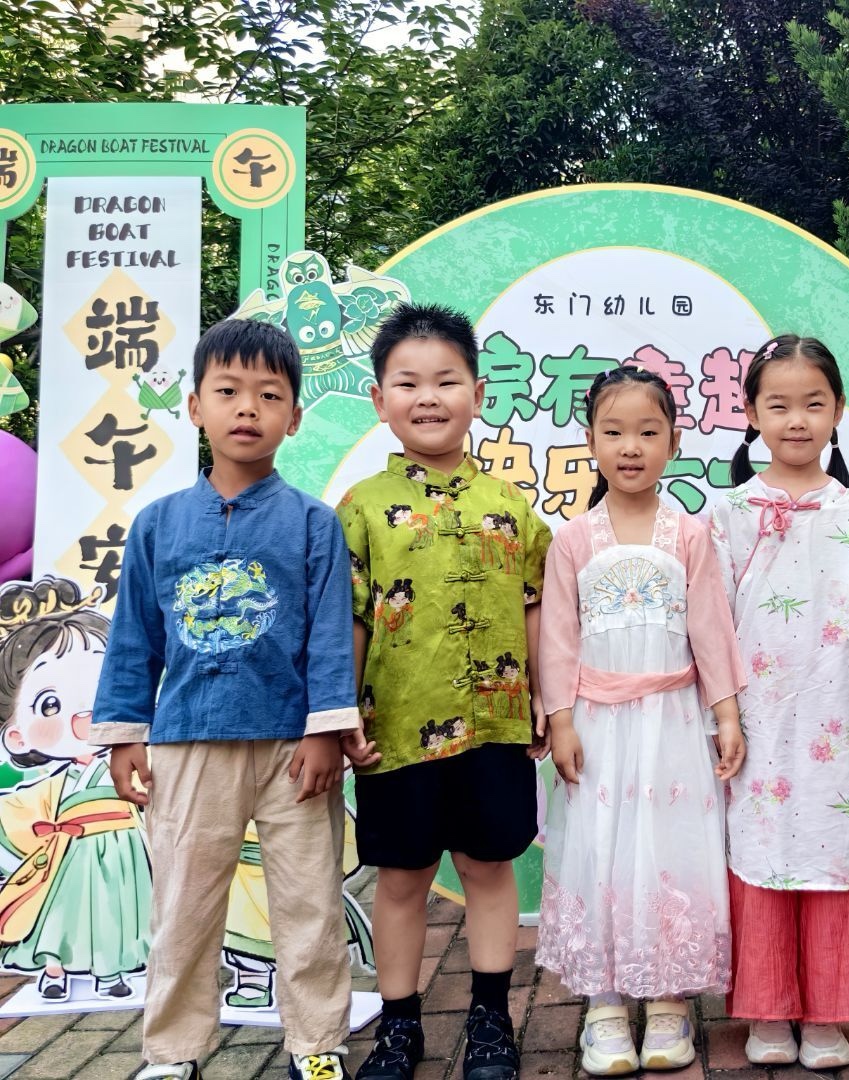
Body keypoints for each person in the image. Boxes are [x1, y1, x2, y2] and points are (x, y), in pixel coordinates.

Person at [93, 318, 366, 1080]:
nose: (248, 408)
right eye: (228, 391)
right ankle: (172, 1050)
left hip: (292, 749)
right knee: (182, 908)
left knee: (309, 904)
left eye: (269, 395)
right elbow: (134, 637)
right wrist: (125, 734)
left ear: (294, 417)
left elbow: (330, 636)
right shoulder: (157, 526)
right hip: (187, 743)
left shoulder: (312, 523)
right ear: (194, 407)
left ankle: (318, 1044)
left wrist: (326, 730)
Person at [337, 303, 551, 1080]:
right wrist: (340, 712)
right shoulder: (360, 509)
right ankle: (400, 1026)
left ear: (478, 394)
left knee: (490, 868)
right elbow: (350, 618)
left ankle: (492, 1020)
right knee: (401, 879)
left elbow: (534, 604)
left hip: (496, 723)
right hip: (395, 726)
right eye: (408, 383)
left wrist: (542, 696)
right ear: (380, 399)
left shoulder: (511, 506)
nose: (428, 397)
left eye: (446, 381)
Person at [535, 365, 746, 1077]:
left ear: (674, 442)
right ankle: (602, 1006)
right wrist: (561, 720)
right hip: (598, 726)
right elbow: (557, 639)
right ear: (591, 441)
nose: (631, 447)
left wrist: (726, 714)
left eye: (648, 432)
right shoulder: (572, 540)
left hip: (673, 724)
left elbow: (711, 630)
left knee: (670, 850)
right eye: (614, 432)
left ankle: (668, 1001)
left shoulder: (689, 534)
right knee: (599, 849)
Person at [707, 335, 849, 1069]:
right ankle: (767, 1009)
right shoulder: (728, 513)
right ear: (751, 413)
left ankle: (827, 1013)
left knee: (829, 845)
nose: (796, 420)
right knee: (760, 848)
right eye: (778, 405)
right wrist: (721, 714)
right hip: (756, 718)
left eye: (814, 403)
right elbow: (712, 624)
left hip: (831, 715)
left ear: (838, 410)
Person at [0, 576, 148, 1003]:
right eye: (49, 704)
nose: (85, 712)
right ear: (16, 736)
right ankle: (55, 970)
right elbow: (16, 818)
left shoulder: (132, 764)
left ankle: (111, 971)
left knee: (118, 912)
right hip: (69, 854)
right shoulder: (53, 787)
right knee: (63, 912)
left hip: (124, 851)